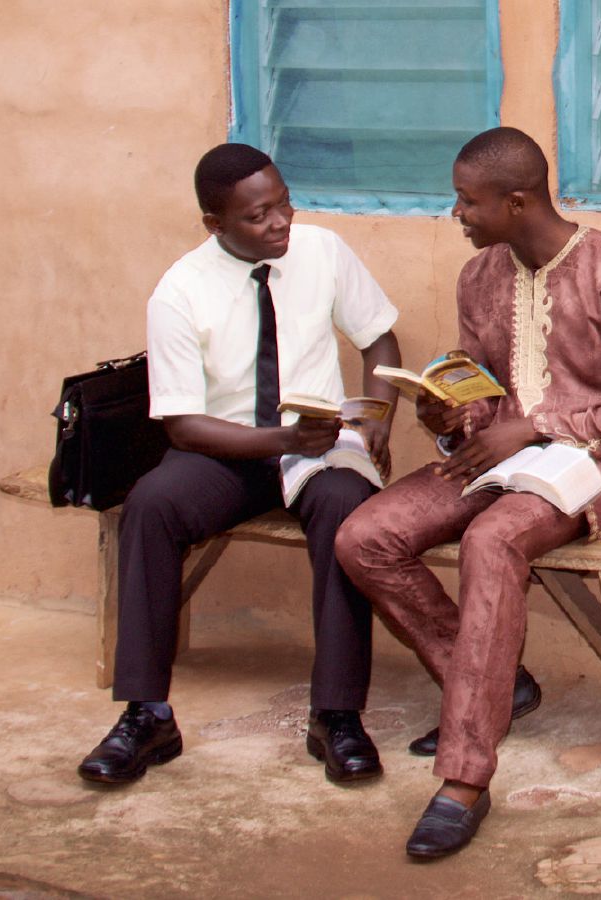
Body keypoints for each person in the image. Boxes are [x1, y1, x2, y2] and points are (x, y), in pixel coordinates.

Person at [335, 126, 601, 858]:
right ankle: (495, 687)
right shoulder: (479, 277)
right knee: (364, 537)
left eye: (467, 201)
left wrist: (537, 427)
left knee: (493, 539)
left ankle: (464, 778)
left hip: (593, 469)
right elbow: (486, 398)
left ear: (516, 202)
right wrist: (451, 417)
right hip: (496, 463)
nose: (457, 213)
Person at [78, 143, 402, 787]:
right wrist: (280, 440)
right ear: (215, 223)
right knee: (151, 504)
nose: (281, 222)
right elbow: (182, 424)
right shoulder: (180, 291)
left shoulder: (323, 252)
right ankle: (147, 714)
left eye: (284, 203)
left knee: (345, 508)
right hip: (227, 451)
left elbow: (379, 339)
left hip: (318, 448)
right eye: (258, 216)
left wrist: (375, 418)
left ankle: (336, 715)